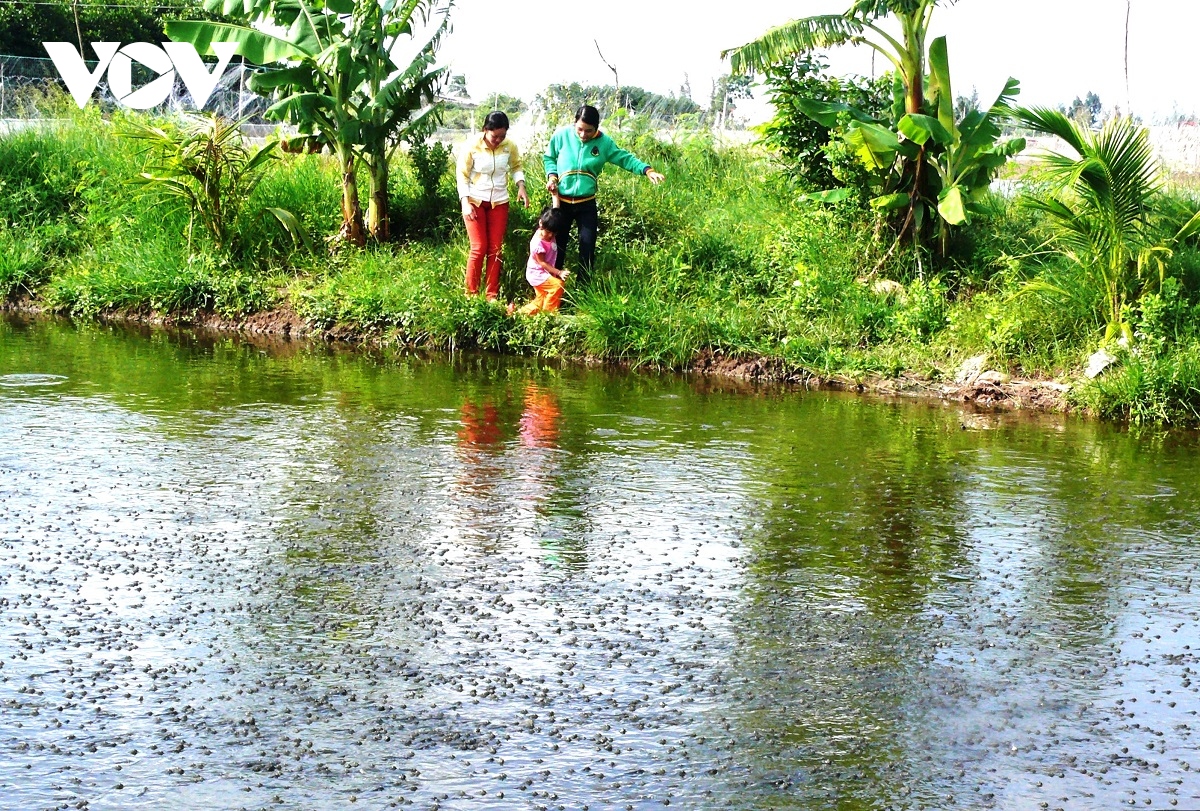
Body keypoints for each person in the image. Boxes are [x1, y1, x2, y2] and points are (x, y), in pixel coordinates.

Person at [542, 104, 665, 277]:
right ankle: (554, 289)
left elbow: (624, 158)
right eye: (580, 129)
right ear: (574, 123)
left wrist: (647, 170)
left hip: (586, 204)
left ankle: (583, 291)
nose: (583, 135)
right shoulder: (561, 136)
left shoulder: (604, 143)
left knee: (587, 246)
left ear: (596, 128)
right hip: (561, 202)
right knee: (557, 245)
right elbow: (549, 158)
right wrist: (552, 177)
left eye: (589, 131)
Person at [456, 111, 529, 300]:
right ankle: (470, 295)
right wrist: (465, 202)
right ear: (485, 130)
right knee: (479, 247)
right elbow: (462, 175)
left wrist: (521, 185)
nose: (498, 140)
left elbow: (516, 167)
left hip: (500, 201)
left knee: (496, 249)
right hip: (474, 200)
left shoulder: (509, 146)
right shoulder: (472, 146)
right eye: (494, 136)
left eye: (502, 136)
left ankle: (491, 295)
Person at [513, 208, 569, 316]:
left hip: (542, 272)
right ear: (540, 223)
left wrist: (555, 194)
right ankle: (548, 315)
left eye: (553, 233)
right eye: (548, 232)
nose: (550, 236)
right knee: (557, 285)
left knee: (540, 300)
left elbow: (556, 210)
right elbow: (542, 263)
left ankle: (518, 314)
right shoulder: (538, 244)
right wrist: (559, 272)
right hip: (537, 274)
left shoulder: (548, 228)